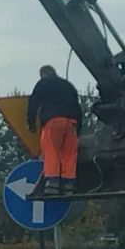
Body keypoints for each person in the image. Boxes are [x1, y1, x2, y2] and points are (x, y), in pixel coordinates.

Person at [27, 65, 82, 196]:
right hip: (71, 123)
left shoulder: (43, 83)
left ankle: (52, 184)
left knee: (51, 151)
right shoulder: (67, 85)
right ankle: (69, 185)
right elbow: (78, 106)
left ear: (43, 74)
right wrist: (79, 127)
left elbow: (33, 103)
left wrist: (31, 123)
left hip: (53, 121)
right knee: (69, 154)